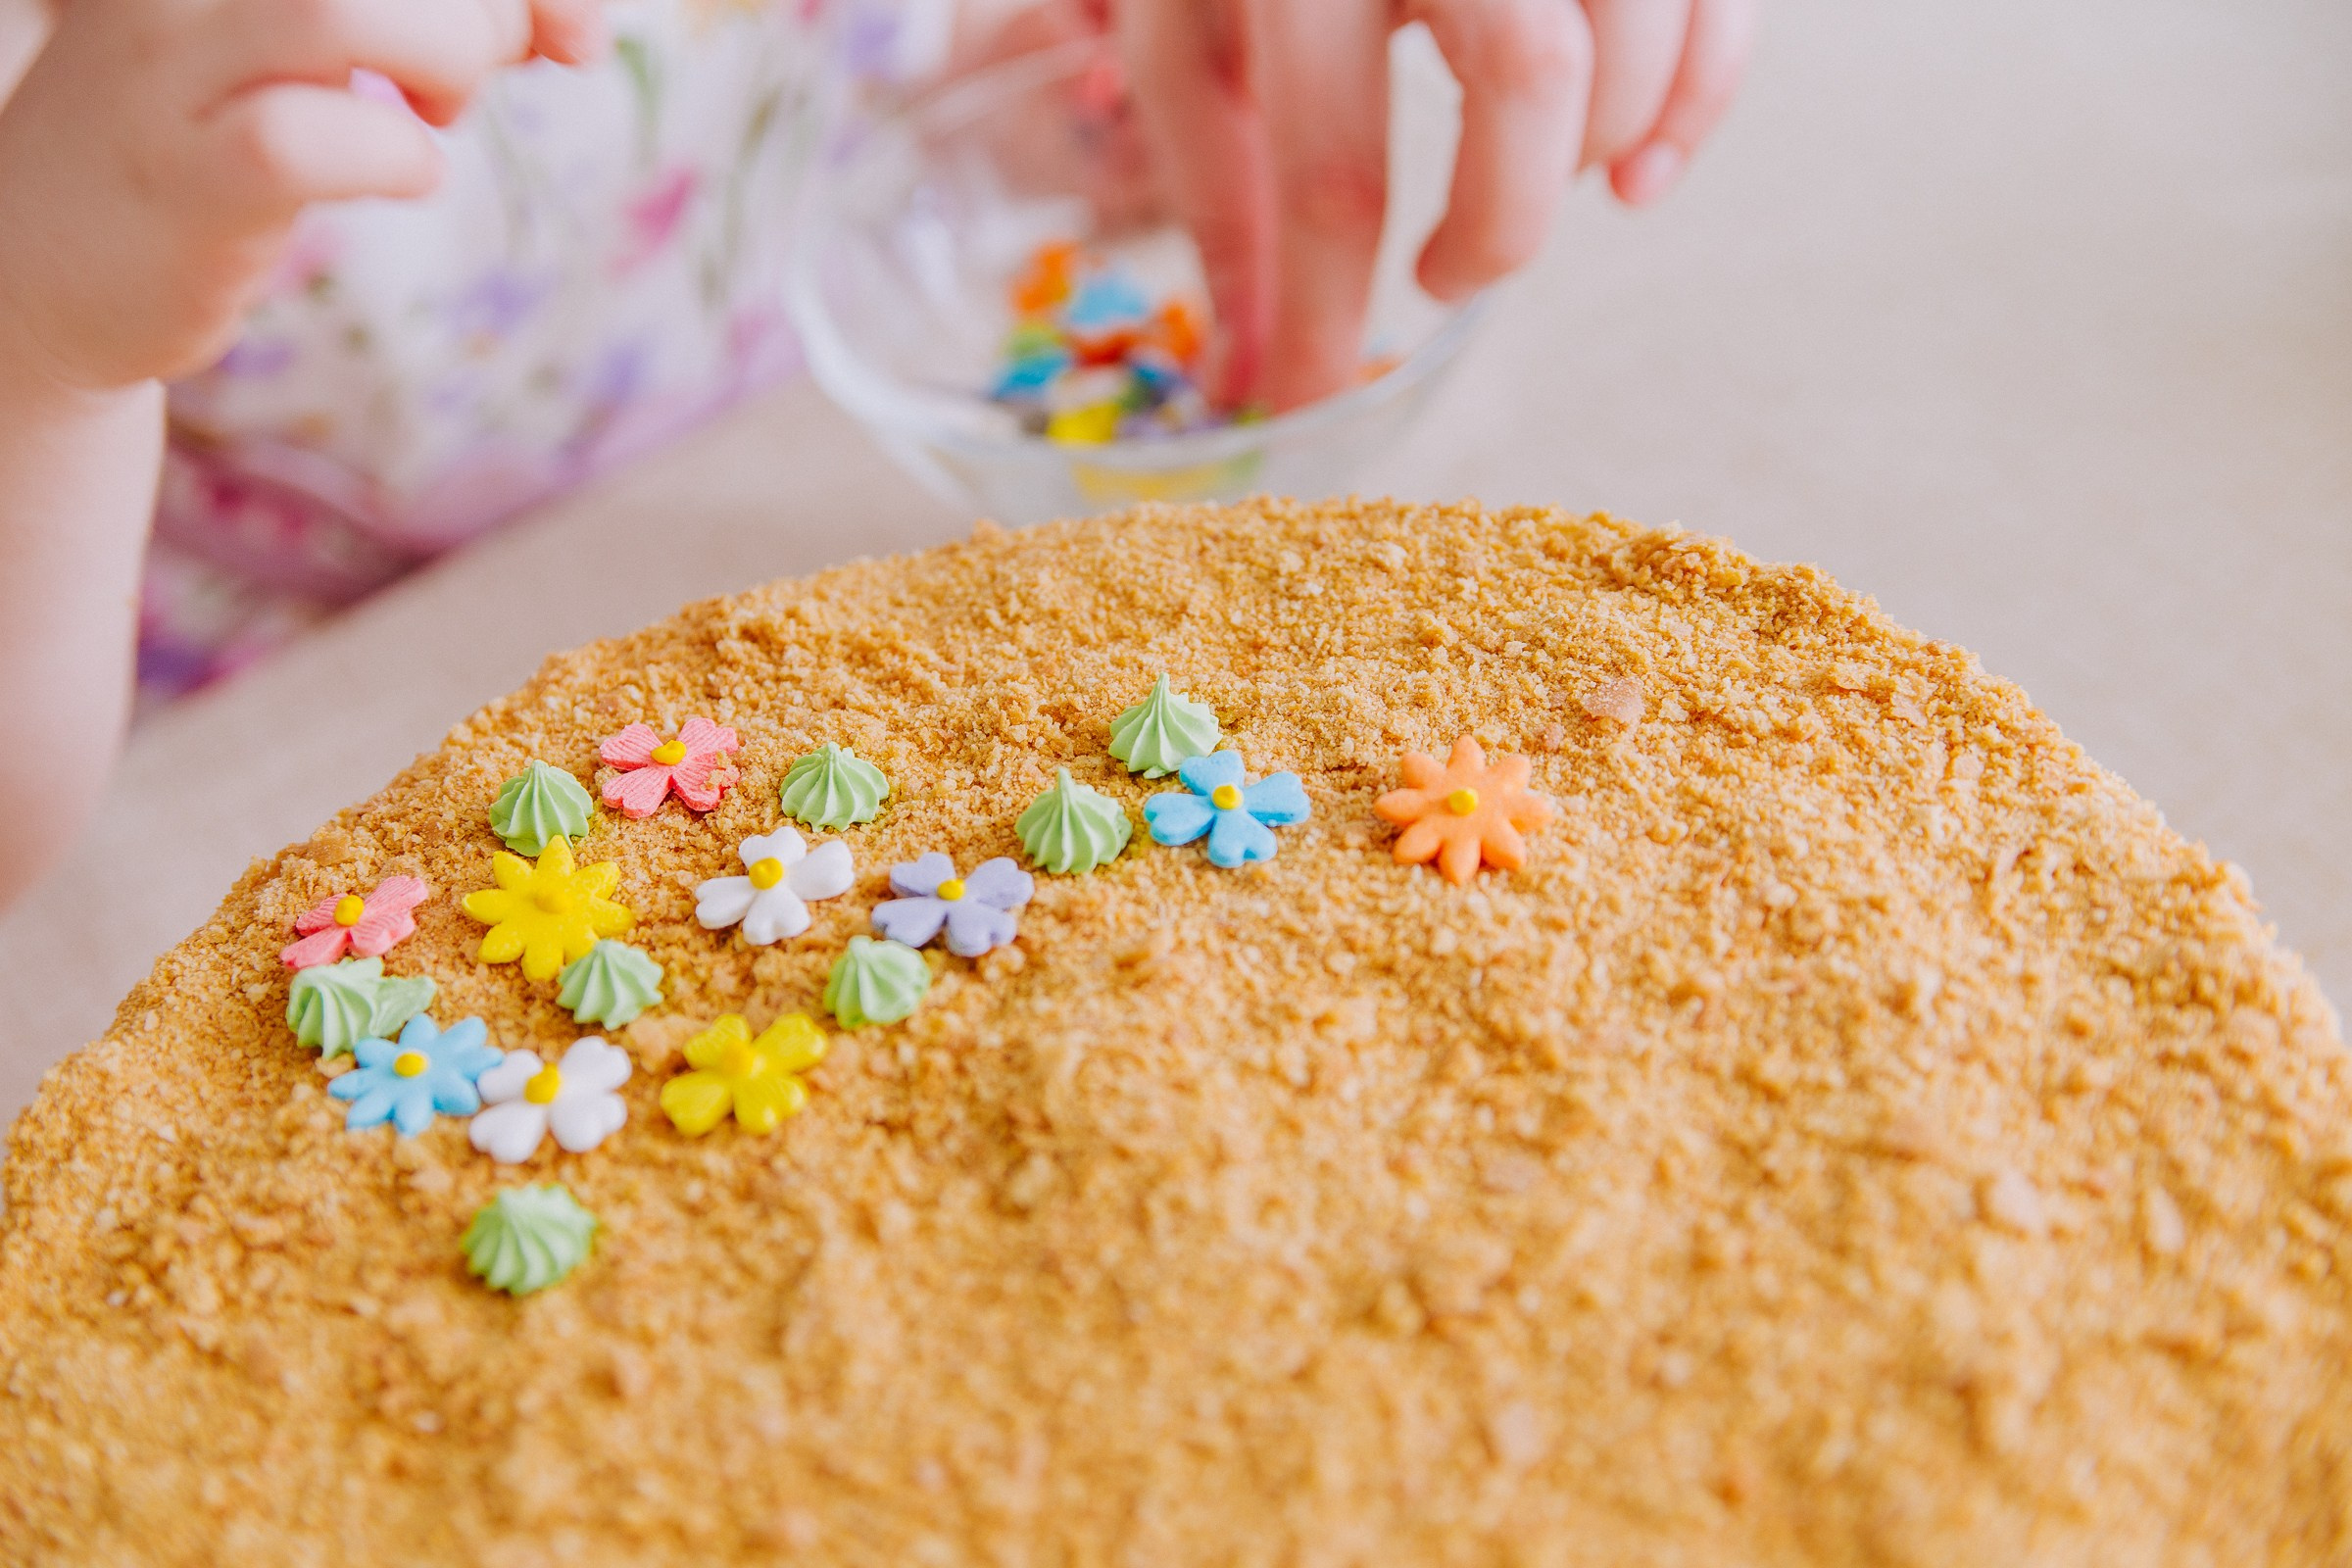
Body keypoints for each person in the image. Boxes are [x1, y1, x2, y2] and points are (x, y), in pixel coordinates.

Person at [0, 0, 1751, 907]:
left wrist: (1092, 95)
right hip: (278, 701)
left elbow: (895, 77)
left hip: (796, 479)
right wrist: (46, 334)